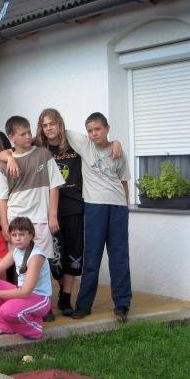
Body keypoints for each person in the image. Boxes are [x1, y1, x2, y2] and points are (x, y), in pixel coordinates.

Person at [66, 112, 131, 322]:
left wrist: (126, 207)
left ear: (107, 128)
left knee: (119, 257)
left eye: (98, 129)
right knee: (92, 256)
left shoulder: (118, 152)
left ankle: (122, 305)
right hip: (94, 207)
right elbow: (57, 129)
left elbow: (124, 182)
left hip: (118, 208)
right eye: (90, 130)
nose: (94, 133)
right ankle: (84, 305)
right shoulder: (85, 145)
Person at [35, 109, 83, 317]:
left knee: (73, 253)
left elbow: (100, 143)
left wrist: (115, 143)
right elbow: (12, 151)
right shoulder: (39, 148)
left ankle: (66, 297)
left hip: (74, 207)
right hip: (48, 209)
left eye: (52, 124)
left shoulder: (75, 143)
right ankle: (61, 288)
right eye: (44, 125)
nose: (49, 128)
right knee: (55, 257)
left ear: (59, 124)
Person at [0, 116, 64, 258]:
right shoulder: (4, 164)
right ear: (11, 137)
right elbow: (2, 198)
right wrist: (4, 225)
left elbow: (54, 186)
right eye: (23, 134)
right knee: (20, 264)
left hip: (41, 221)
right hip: (15, 221)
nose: (28, 136)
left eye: (29, 132)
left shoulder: (44, 154)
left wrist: (52, 215)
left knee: (43, 263)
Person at [0, 217, 52, 340]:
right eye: (14, 235)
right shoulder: (15, 251)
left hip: (40, 299)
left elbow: (26, 292)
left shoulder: (36, 257)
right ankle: (3, 325)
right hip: (23, 293)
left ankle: (35, 328)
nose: (17, 238)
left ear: (31, 235)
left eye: (21, 234)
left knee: (6, 310)